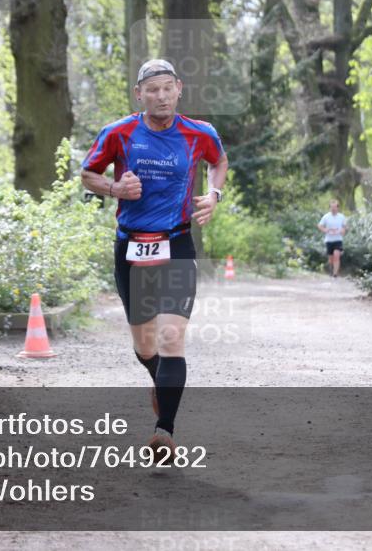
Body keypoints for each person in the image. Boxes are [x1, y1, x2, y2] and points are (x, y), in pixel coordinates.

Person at [80, 59, 228, 458]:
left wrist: (214, 195)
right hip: (131, 246)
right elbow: (87, 173)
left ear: (179, 89)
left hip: (176, 244)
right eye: (152, 89)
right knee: (146, 346)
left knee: (171, 339)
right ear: (139, 94)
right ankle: (158, 377)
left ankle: (164, 432)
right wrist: (114, 187)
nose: (161, 96)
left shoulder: (200, 133)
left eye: (167, 88)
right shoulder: (119, 133)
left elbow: (219, 162)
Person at [317, 199, 347, 278]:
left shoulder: (341, 217)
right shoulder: (326, 217)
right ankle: (331, 268)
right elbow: (320, 225)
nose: (333, 209)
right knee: (331, 258)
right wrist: (325, 230)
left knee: (337, 255)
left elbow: (345, 227)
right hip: (329, 239)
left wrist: (342, 231)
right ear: (329, 208)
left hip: (338, 239)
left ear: (338, 208)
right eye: (331, 207)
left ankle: (335, 274)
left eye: (335, 207)